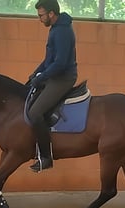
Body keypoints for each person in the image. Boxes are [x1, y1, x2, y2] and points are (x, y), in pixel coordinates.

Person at [27, 0, 78, 172]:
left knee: (35, 112)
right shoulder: (55, 29)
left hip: (63, 78)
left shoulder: (62, 31)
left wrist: (43, 77)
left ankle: (46, 157)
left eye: (41, 15)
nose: (39, 19)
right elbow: (48, 61)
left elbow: (61, 63)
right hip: (54, 75)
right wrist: (35, 74)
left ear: (51, 14)